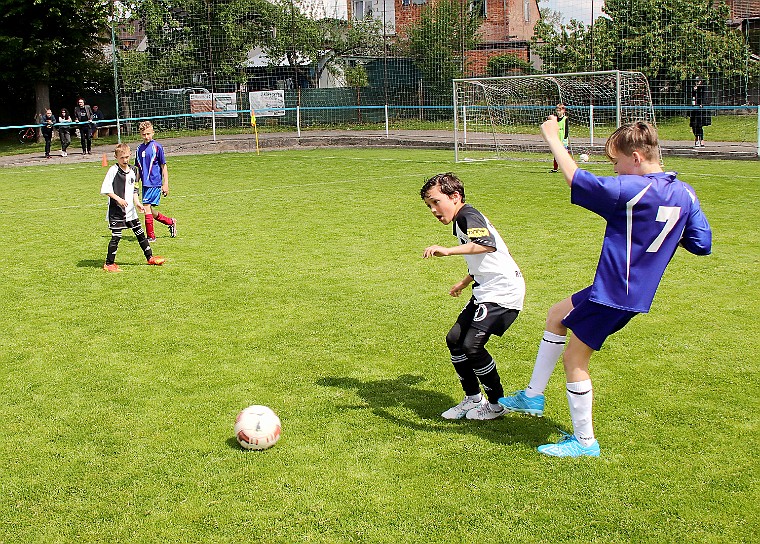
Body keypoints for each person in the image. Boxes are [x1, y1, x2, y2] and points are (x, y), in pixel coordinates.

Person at [498, 118, 712, 457]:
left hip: (614, 294)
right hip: (621, 290)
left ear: (637, 157)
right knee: (557, 314)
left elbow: (576, 179)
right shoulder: (685, 193)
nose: (615, 170)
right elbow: (702, 244)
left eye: (617, 163)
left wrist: (553, 138)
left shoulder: (633, 189)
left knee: (575, 359)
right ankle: (533, 396)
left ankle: (585, 443)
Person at [421, 173, 526, 420]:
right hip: (485, 288)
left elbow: (487, 244)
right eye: (429, 206)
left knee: (472, 345)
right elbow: (485, 257)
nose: (434, 210)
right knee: (455, 339)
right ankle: (472, 398)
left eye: (436, 202)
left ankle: (497, 404)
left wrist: (447, 251)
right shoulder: (461, 220)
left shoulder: (468, 215)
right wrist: (465, 281)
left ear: (455, 196)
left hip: (502, 291)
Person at [101, 143, 166, 272]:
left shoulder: (133, 171)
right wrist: (118, 199)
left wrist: (137, 203)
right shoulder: (113, 170)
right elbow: (106, 189)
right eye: (121, 158)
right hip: (117, 211)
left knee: (140, 234)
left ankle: (150, 257)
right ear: (116, 157)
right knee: (116, 237)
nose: (125, 160)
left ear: (130, 155)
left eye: (126, 157)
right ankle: (109, 263)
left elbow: (134, 190)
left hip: (130, 211)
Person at [135, 121, 176, 242]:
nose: (146, 136)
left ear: (153, 132)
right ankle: (170, 222)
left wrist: (166, 184)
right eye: (144, 134)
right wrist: (136, 184)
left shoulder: (157, 147)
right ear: (140, 134)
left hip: (155, 182)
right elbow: (138, 168)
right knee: (150, 211)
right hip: (145, 184)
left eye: (148, 133)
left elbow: (164, 166)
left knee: (146, 208)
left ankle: (151, 237)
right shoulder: (138, 149)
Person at [689, 77, 711, 148]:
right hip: (694, 109)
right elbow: (692, 97)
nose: (697, 82)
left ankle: (701, 139)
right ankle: (696, 138)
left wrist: (702, 103)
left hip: (700, 110)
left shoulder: (703, 88)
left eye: (698, 81)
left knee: (699, 125)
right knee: (693, 125)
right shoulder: (693, 88)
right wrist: (694, 90)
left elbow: (704, 97)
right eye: (696, 81)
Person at [551, 103, 569, 172]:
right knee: (556, 154)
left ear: (563, 110)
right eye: (557, 110)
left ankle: (568, 168)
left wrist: (565, 139)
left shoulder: (565, 119)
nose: (558, 112)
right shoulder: (555, 119)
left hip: (563, 140)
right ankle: (555, 168)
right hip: (556, 139)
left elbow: (566, 130)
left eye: (559, 110)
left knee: (564, 155)